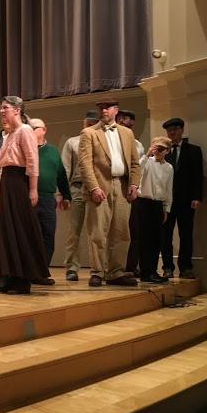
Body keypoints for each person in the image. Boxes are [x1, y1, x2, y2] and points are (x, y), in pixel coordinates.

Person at [0, 96, 48, 294]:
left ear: (17, 110)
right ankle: (11, 276)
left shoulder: (25, 131)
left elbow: (32, 161)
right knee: (8, 232)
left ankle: (24, 279)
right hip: (7, 185)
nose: (1, 111)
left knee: (21, 229)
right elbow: (3, 168)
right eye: (1, 108)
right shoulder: (9, 135)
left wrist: (33, 189)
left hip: (19, 183)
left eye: (5, 107)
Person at [78, 97, 141, 287]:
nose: (103, 111)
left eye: (107, 107)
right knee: (98, 232)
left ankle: (116, 272)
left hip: (122, 186)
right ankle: (97, 272)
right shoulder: (89, 132)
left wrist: (134, 184)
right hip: (100, 186)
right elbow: (85, 164)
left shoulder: (127, 133)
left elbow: (135, 162)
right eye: (101, 108)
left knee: (121, 232)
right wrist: (94, 187)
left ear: (116, 110)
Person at [29, 118, 71, 286]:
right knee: (30, 238)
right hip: (28, 200)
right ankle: (27, 272)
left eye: (34, 128)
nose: (31, 131)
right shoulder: (25, 149)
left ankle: (41, 272)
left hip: (47, 200)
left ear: (44, 130)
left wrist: (66, 195)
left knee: (47, 237)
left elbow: (61, 175)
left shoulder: (53, 151)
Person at [160, 117, 203, 279]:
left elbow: (198, 176)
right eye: (169, 130)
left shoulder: (193, 150)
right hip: (166, 201)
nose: (172, 132)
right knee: (165, 235)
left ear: (182, 130)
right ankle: (167, 267)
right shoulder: (163, 151)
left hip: (186, 200)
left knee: (186, 234)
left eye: (175, 129)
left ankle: (185, 267)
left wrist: (197, 197)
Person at [61, 110, 99, 281]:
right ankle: (72, 267)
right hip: (77, 187)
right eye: (87, 124)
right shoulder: (73, 142)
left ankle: (99, 268)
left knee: (98, 230)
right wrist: (62, 193)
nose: (90, 127)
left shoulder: (103, 144)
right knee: (74, 230)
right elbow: (65, 168)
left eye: (93, 124)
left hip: (97, 189)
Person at [138, 137, 174, 283]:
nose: (158, 151)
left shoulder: (169, 168)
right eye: (156, 148)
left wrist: (166, 208)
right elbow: (137, 170)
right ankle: (145, 272)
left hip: (158, 204)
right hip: (145, 202)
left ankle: (153, 271)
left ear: (167, 151)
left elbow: (168, 189)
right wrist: (147, 154)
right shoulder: (147, 162)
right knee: (145, 239)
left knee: (157, 240)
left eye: (161, 149)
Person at [117, 109, 144, 277]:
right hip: (115, 187)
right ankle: (114, 267)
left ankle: (131, 265)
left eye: (124, 118)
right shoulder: (111, 141)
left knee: (133, 230)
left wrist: (135, 186)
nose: (121, 121)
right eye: (119, 118)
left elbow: (138, 167)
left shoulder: (138, 144)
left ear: (132, 122)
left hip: (133, 190)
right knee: (116, 230)